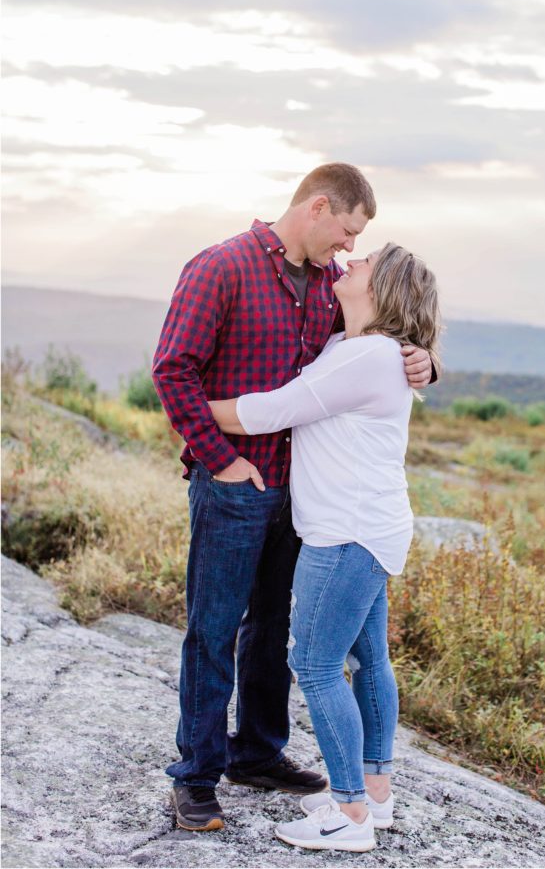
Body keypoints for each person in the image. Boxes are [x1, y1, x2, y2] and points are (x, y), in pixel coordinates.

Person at [152, 164, 433, 832]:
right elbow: (171, 370)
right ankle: (195, 776)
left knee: (273, 629)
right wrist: (219, 459)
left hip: (303, 498)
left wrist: (422, 360)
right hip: (235, 484)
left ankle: (258, 754)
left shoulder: (333, 284)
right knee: (213, 631)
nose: (348, 248)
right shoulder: (221, 267)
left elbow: (383, 341)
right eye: (346, 230)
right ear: (316, 207)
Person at [208, 242, 441, 852]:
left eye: (364, 262)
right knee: (368, 660)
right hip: (371, 527)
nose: (350, 262)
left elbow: (275, 410)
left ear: (383, 289)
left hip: (345, 534)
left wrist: (188, 408)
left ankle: (348, 815)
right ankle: (375, 794)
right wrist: (426, 359)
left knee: (313, 663)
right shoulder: (357, 348)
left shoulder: (365, 356)